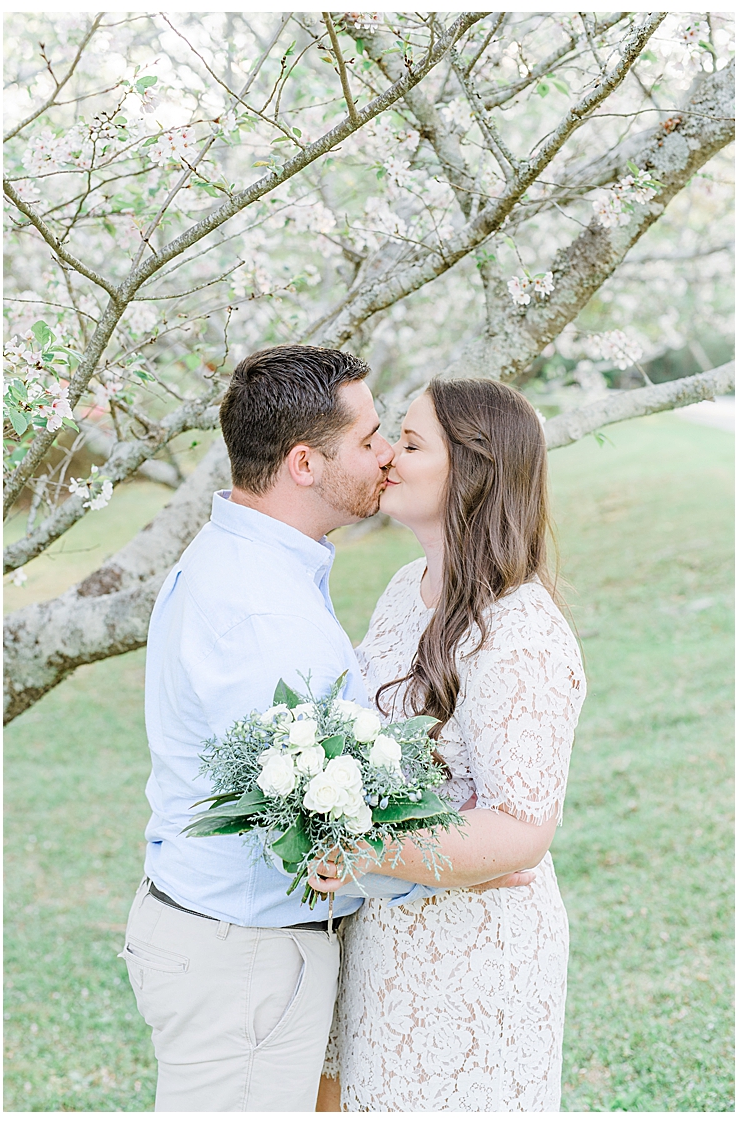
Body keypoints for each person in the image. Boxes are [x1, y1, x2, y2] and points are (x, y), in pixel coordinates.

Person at [122, 345, 530, 1112]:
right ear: (305, 464)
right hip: (244, 956)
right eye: (370, 438)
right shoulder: (262, 613)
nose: (386, 456)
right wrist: (461, 862)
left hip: (228, 942)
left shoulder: (257, 562)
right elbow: (305, 815)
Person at [316, 379, 585, 1111]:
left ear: (473, 468)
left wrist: (363, 850)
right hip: (382, 936)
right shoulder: (406, 588)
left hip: (472, 955)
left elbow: (521, 829)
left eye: (409, 443)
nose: (385, 455)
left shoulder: (518, 633)